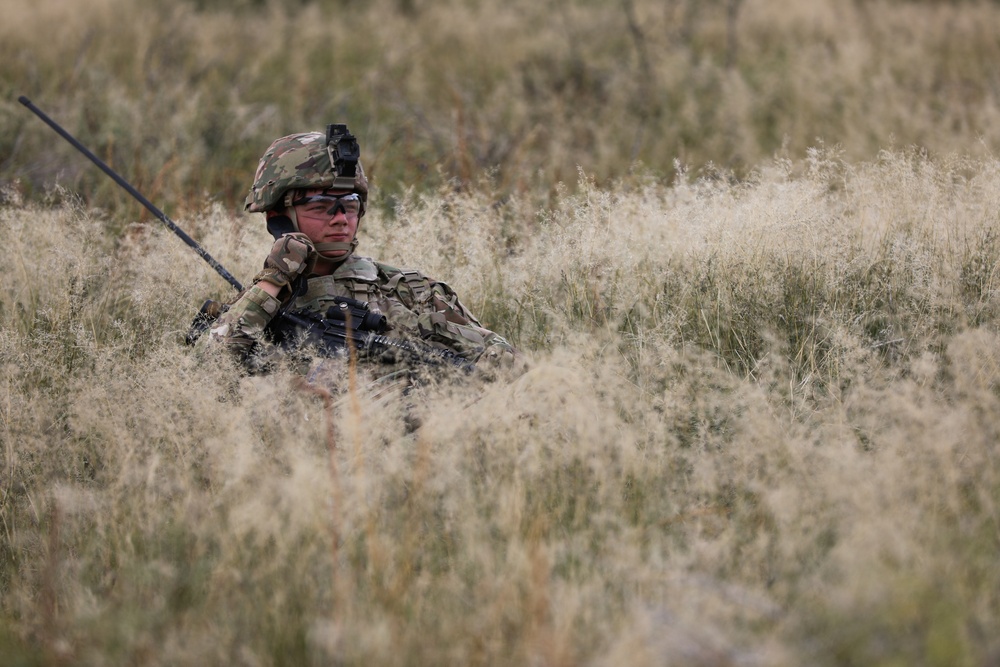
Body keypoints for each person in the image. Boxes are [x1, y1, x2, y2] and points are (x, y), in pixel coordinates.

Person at [203, 127, 517, 376]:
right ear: (278, 216)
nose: (340, 217)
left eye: (350, 204)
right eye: (320, 205)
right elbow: (202, 374)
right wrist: (274, 280)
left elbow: (500, 355)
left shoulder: (413, 291)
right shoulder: (254, 307)